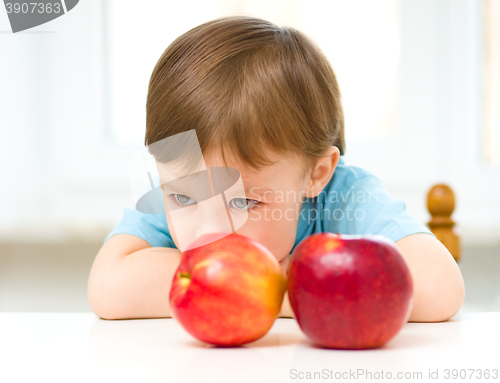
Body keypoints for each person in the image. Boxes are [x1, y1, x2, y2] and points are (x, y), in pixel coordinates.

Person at [87, 15, 464, 322]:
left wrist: (278, 287)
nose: (210, 233)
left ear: (316, 174)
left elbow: (439, 288)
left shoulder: (345, 195)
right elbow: (108, 287)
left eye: (244, 202)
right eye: (183, 196)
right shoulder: (177, 203)